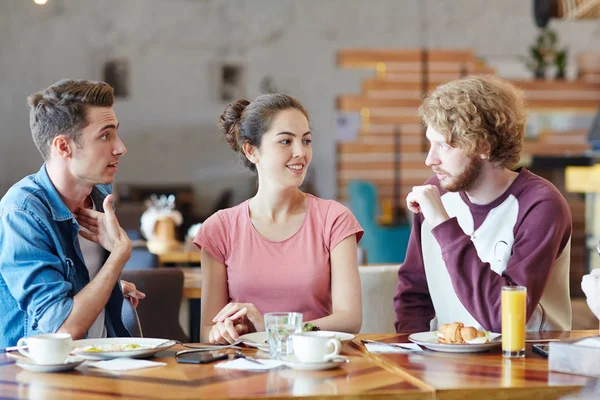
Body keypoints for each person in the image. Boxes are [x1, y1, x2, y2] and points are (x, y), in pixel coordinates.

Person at [393, 75, 572, 334]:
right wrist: (410, 356)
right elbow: (413, 295)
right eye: (431, 144)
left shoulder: (542, 205)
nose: (430, 160)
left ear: (485, 146)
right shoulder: (437, 193)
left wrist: (444, 225)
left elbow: (505, 319)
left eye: (443, 146)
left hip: (528, 362)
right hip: (446, 362)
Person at [194, 93, 364, 344]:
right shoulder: (219, 229)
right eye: (286, 141)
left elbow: (349, 319)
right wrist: (221, 332)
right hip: (244, 370)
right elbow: (207, 330)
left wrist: (275, 329)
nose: (301, 152)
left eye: (306, 141)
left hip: (316, 367)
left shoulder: (334, 219)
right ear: (252, 150)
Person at [0, 79, 145, 349]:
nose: (120, 147)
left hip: (101, 364)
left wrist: (109, 287)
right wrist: (117, 258)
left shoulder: (101, 194)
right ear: (63, 147)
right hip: (35, 379)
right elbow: (62, 329)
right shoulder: (22, 212)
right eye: (105, 135)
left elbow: (77, 280)